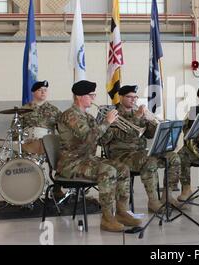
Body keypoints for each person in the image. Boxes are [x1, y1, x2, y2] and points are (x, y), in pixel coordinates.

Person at [57, 80, 141, 232]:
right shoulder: (70, 115)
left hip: (87, 159)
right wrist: (107, 122)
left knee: (122, 168)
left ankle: (122, 212)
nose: (93, 98)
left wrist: (111, 125)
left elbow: (101, 140)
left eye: (93, 95)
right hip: (71, 163)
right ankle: (107, 218)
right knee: (107, 171)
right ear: (79, 96)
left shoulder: (88, 117)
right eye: (91, 95)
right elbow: (88, 137)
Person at [105, 85, 182, 213]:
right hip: (122, 155)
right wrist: (138, 117)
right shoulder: (114, 115)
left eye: (135, 97)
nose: (133, 100)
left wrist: (152, 122)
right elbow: (127, 135)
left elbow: (149, 134)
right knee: (149, 161)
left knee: (173, 157)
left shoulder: (138, 112)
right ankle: (153, 201)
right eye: (129, 97)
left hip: (141, 153)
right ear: (121, 97)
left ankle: (167, 196)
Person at [20, 80, 61, 155]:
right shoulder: (23, 110)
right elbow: (16, 130)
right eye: (40, 90)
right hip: (29, 146)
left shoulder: (54, 110)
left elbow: (62, 129)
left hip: (48, 146)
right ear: (33, 92)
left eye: (45, 90)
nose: (43, 92)